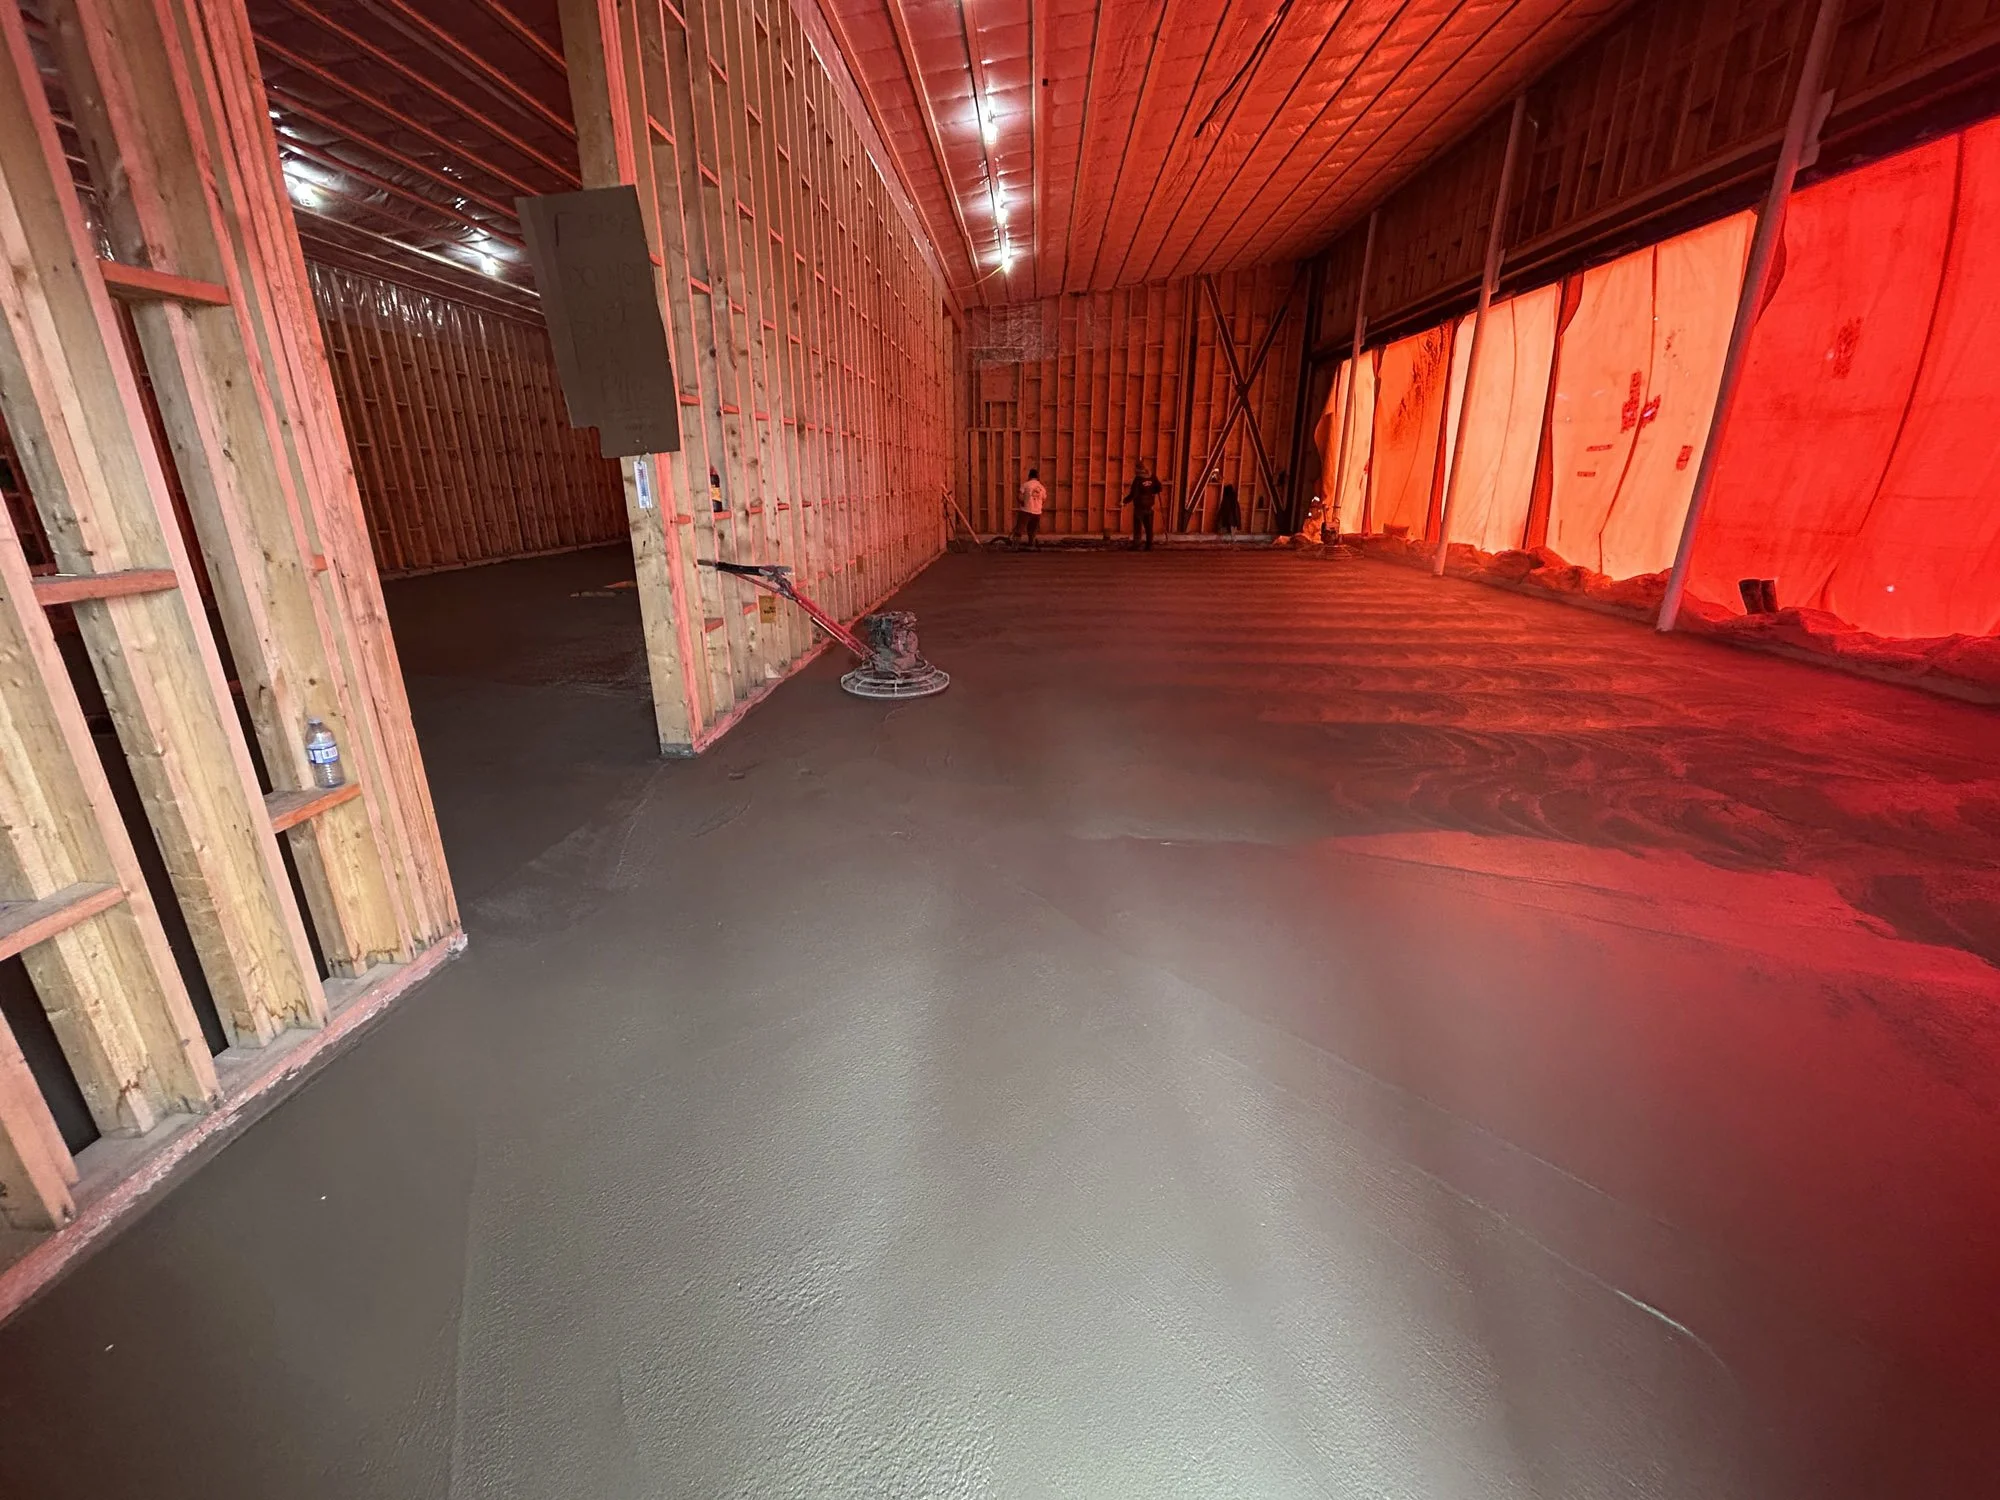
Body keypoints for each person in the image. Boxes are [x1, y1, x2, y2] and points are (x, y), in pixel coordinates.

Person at [1123, 461, 1163, 551]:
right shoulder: (1152, 476)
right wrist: (1152, 492)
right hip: (1149, 504)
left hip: (1139, 506)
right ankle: (1149, 545)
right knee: (1149, 527)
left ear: (1137, 469)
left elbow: (1134, 494)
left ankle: (1137, 545)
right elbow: (1159, 488)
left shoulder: (1138, 479)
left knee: (1137, 526)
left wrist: (1124, 501)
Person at [1014, 466, 1047, 548]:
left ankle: (1015, 546)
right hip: (1037, 512)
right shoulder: (1042, 487)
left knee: (1019, 529)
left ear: (1029, 476)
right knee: (1032, 530)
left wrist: (1022, 503)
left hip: (1026, 511)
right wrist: (1038, 505)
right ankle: (1031, 545)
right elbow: (1044, 499)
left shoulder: (1025, 485)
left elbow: (1019, 497)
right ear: (1037, 477)